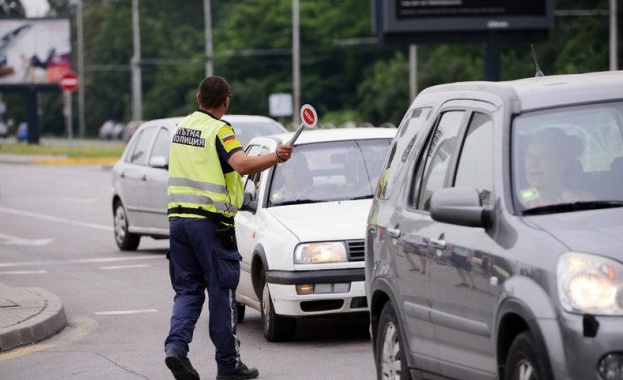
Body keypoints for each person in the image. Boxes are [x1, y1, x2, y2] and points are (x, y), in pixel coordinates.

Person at [164, 76, 293, 380]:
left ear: (198, 98)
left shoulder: (182, 128)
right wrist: (276, 156)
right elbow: (242, 165)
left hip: (178, 222)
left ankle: (176, 349)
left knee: (187, 291)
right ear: (227, 101)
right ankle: (228, 365)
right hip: (210, 226)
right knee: (222, 293)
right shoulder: (220, 131)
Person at [519, 128, 595, 207]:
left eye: (542, 157)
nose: (533, 164)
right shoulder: (520, 199)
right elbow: (523, 196)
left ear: (562, 163)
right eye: (529, 157)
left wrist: (579, 207)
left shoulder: (584, 199)